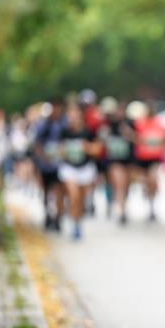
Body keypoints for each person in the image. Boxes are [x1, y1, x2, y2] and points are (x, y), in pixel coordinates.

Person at [58, 103, 100, 240]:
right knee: (74, 195)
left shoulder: (89, 132)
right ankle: (73, 220)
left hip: (85, 168)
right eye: (71, 114)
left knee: (80, 199)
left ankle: (77, 222)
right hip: (69, 168)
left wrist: (86, 147)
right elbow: (58, 150)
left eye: (76, 114)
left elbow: (98, 150)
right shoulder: (64, 131)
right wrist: (64, 151)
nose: (73, 117)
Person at [128, 101, 165, 222]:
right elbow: (133, 137)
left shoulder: (159, 123)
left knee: (153, 178)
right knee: (144, 181)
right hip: (142, 157)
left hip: (155, 157)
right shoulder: (139, 123)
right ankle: (149, 199)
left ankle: (152, 206)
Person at [33, 99, 67, 231]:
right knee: (47, 192)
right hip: (46, 165)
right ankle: (48, 214)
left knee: (59, 190)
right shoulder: (44, 125)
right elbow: (38, 144)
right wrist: (43, 157)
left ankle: (58, 216)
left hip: (60, 164)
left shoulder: (65, 124)